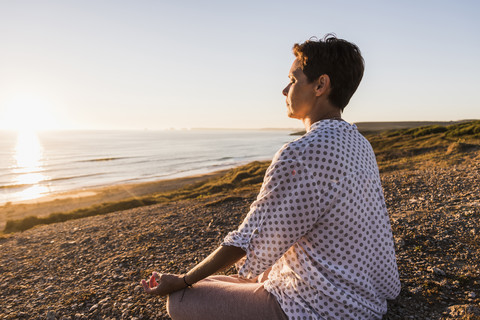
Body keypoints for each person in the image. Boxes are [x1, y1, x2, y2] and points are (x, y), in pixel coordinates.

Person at [141, 34, 401, 319]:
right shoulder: (359, 142)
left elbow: (246, 239)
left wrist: (183, 279)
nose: (284, 89)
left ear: (320, 85)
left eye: (292, 79)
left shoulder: (301, 153)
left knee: (180, 300)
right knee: (229, 278)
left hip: (324, 306)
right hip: (367, 298)